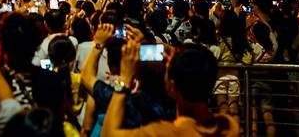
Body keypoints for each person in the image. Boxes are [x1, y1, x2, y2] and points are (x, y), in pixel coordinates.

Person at [101, 43, 239, 136]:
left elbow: (108, 133)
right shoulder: (228, 127)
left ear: (172, 87)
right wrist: (178, 56)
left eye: (167, 70)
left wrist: (124, 78)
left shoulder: (163, 132)